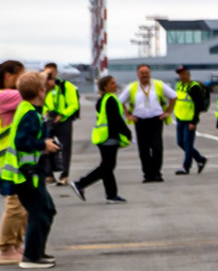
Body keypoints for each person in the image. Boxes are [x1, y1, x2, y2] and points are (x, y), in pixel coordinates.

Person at [4, 71, 57, 268]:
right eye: (44, 87)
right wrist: (43, 145)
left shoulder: (30, 109)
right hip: (27, 174)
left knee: (47, 210)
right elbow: (22, 141)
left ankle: (37, 251)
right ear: (39, 91)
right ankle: (32, 257)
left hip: (32, 172)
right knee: (40, 212)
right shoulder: (30, 114)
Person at [0, 60, 26, 263]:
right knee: (15, 203)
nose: (24, 79)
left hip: (17, 155)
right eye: (21, 75)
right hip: (10, 156)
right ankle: (6, 248)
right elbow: (30, 92)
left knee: (23, 204)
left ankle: (15, 244)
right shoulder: (3, 95)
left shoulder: (5, 95)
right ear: (8, 76)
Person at [74, 74, 130, 203]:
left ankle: (111, 195)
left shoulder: (102, 99)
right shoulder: (110, 99)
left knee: (107, 166)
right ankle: (81, 183)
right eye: (112, 83)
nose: (115, 85)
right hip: (109, 136)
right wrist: (127, 132)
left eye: (115, 82)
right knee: (107, 167)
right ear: (105, 87)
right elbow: (115, 119)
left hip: (103, 136)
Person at [122, 64, 171, 184]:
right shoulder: (132, 87)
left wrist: (168, 112)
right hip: (140, 121)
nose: (145, 75)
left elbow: (173, 96)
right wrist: (128, 115)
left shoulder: (158, 84)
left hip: (156, 120)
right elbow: (120, 101)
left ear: (150, 73)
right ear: (138, 74)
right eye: (142, 73)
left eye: (146, 72)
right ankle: (147, 174)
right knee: (143, 149)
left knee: (156, 147)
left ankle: (157, 173)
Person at [41, 63, 79, 184]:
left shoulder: (66, 86)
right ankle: (49, 174)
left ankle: (64, 175)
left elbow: (74, 104)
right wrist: (46, 112)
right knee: (46, 146)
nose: (49, 75)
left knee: (65, 147)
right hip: (48, 119)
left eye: (51, 73)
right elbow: (39, 102)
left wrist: (62, 114)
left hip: (63, 120)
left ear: (56, 73)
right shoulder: (42, 88)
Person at [172, 65, 209, 174]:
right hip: (180, 118)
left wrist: (194, 121)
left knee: (188, 143)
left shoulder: (194, 87)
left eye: (183, 74)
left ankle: (186, 166)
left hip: (189, 119)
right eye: (180, 74)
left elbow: (198, 105)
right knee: (180, 142)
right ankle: (200, 159)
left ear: (188, 74)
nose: (181, 76)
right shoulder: (179, 85)